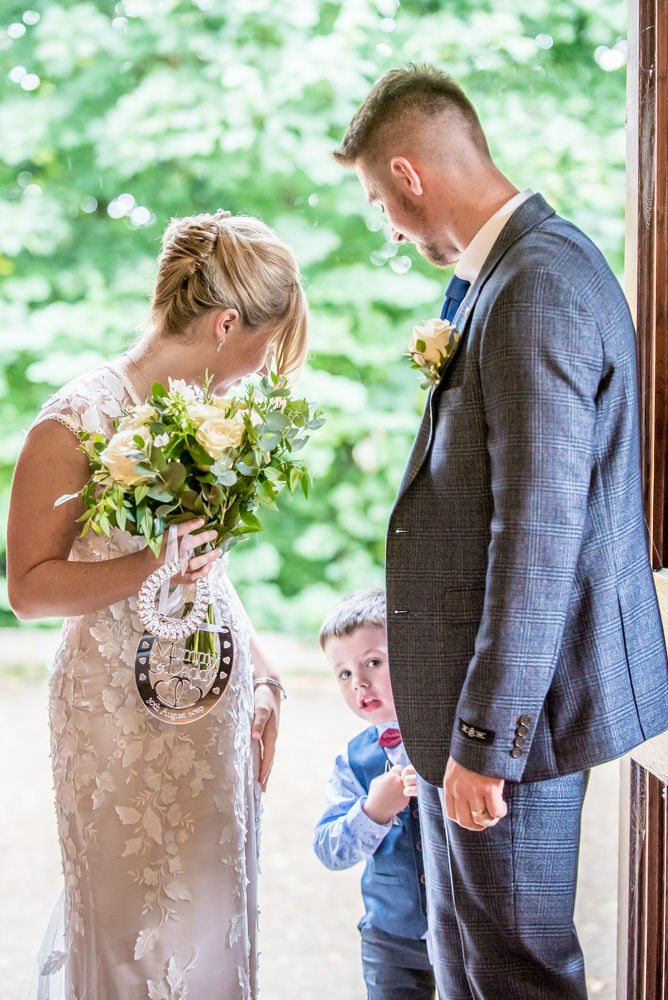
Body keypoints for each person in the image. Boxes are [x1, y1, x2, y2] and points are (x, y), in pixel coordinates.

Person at [333, 64, 668, 999]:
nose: (388, 229)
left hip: (519, 714)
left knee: (516, 974)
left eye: (377, 202)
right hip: (475, 707)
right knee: (469, 963)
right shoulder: (508, 276)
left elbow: (541, 531)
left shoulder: (538, 284)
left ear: (408, 174)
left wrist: (486, 740)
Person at [7, 210, 308, 999]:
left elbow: (205, 571)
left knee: (214, 921)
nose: (259, 369)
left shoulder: (212, 424)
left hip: (212, 710)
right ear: (226, 322)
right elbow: (29, 588)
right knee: (135, 931)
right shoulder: (73, 422)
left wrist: (267, 674)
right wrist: (148, 564)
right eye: (261, 348)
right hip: (113, 717)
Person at [314, 588, 435, 1000]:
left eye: (373, 662)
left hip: (466, 930)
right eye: (344, 673)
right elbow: (329, 850)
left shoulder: (452, 744)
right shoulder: (352, 761)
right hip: (391, 936)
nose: (359, 682)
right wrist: (372, 810)